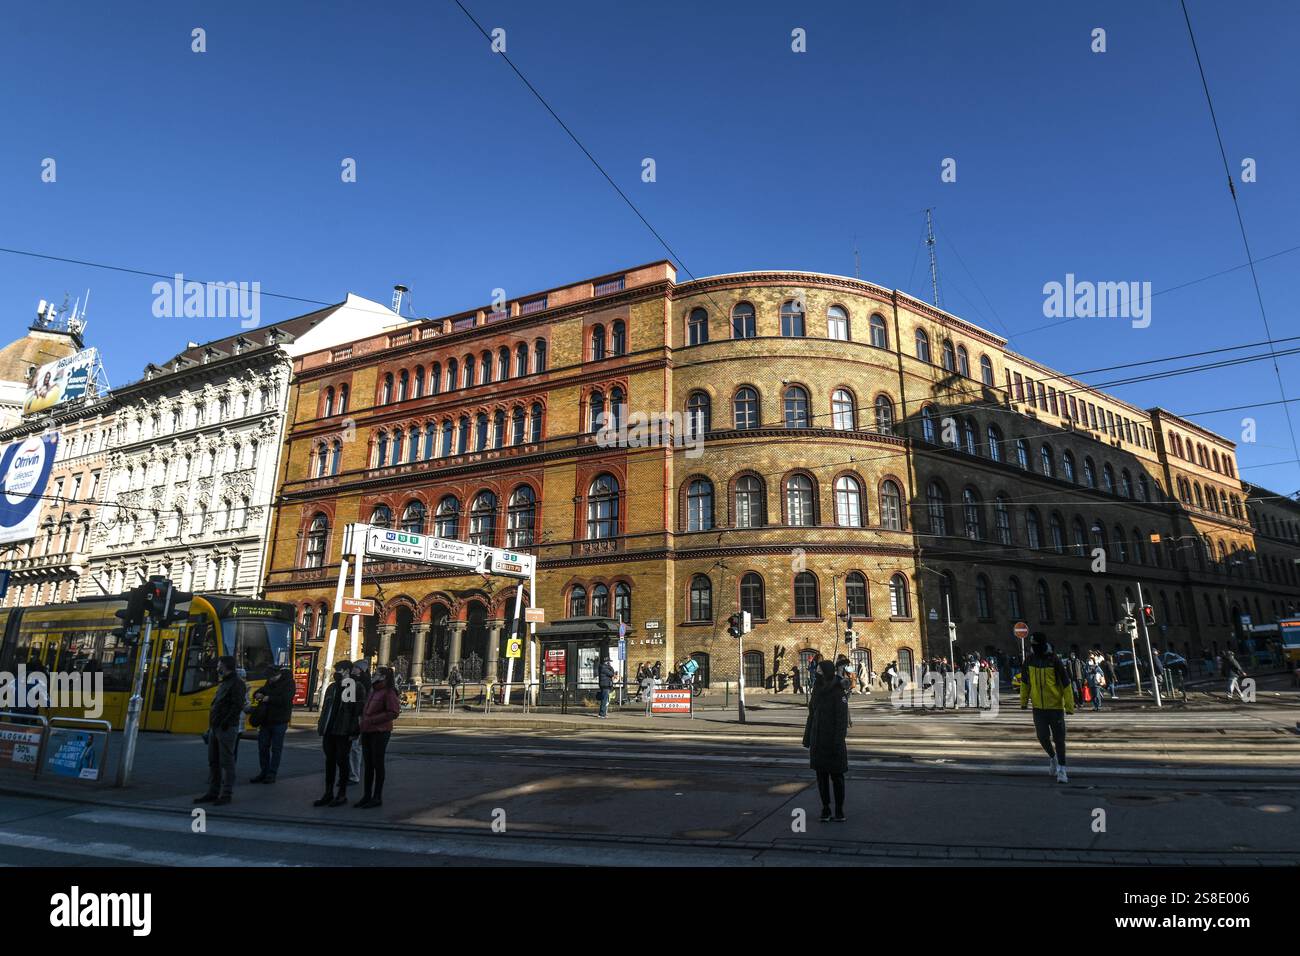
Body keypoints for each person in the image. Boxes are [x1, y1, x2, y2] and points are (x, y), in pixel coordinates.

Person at [1020, 633, 1074, 784]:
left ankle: (1062, 769)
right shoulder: (1029, 660)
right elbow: (1025, 682)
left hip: (1055, 707)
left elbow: (1066, 684)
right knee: (1042, 737)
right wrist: (1023, 702)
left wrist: (1069, 706)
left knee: (1059, 739)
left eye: (1035, 644)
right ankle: (1053, 757)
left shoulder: (1054, 660)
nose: (1033, 647)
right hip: (1038, 707)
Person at [195, 655, 246, 806]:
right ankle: (213, 791)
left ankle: (226, 794)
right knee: (213, 761)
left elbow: (237, 706)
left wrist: (224, 722)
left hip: (226, 728)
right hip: (216, 727)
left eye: (219, 664)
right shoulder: (225, 682)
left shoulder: (237, 683)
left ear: (224, 666)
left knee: (226, 761)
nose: (217, 667)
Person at [803, 660, 850, 822]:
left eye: (820, 671)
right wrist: (807, 737)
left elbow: (842, 720)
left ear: (827, 672)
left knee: (837, 777)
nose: (817, 673)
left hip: (833, 740)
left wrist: (838, 741)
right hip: (818, 739)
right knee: (821, 777)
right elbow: (811, 714)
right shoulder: (816, 689)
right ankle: (825, 808)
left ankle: (839, 809)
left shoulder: (838, 691)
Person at [315, 660, 361, 807]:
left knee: (342, 761)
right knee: (329, 761)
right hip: (329, 730)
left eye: (340, 670)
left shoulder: (352, 686)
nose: (337, 673)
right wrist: (322, 726)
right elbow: (326, 709)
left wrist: (353, 730)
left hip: (342, 731)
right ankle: (328, 793)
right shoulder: (332, 687)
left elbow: (354, 712)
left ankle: (341, 794)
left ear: (347, 671)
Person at [357, 665, 400, 808]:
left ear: (383, 677)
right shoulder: (373, 690)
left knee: (377, 764)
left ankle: (377, 797)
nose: (373, 675)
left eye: (376, 673)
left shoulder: (389, 692)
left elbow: (393, 712)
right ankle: (366, 795)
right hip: (368, 731)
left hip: (380, 732)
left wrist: (372, 720)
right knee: (368, 765)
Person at [249, 665, 294, 783]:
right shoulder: (269, 682)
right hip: (265, 720)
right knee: (262, 747)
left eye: (270, 677)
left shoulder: (289, 683)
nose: (269, 680)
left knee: (276, 748)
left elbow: (286, 699)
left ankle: (272, 773)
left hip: (280, 720)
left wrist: (269, 699)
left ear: (277, 675)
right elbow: (261, 690)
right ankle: (264, 771)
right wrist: (256, 694)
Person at [348, 659, 371, 785]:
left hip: (359, 716)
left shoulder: (364, 683)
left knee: (355, 747)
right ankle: (350, 773)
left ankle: (354, 775)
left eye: (356, 667)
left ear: (360, 670)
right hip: (351, 716)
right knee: (350, 747)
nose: (353, 669)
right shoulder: (350, 681)